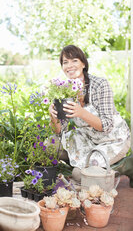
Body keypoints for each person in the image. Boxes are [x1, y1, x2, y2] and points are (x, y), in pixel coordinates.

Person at [49, 45, 130, 181]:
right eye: (65, 62)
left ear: (83, 64)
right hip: (89, 139)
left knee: (79, 175)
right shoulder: (64, 91)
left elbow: (107, 125)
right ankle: (82, 164)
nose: (69, 65)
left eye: (74, 60)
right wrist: (53, 116)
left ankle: (124, 165)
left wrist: (81, 112)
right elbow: (59, 131)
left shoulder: (99, 85)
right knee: (50, 145)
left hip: (113, 139)